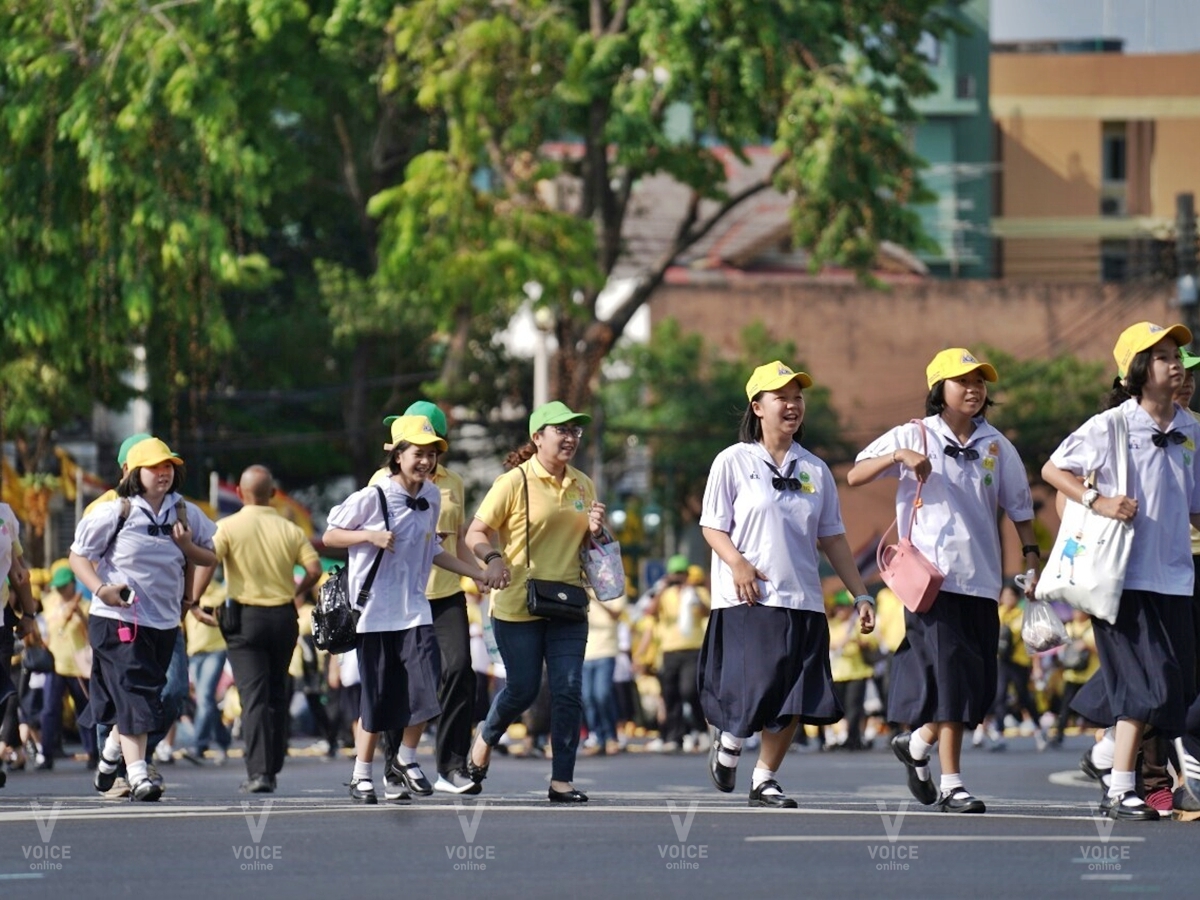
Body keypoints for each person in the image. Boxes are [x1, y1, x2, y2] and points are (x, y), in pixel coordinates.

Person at [848, 348, 1039, 814]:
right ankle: (953, 783)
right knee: (952, 680)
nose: (974, 389)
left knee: (979, 686)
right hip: (931, 583)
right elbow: (854, 474)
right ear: (940, 389)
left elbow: (1021, 509)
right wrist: (898, 455)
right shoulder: (914, 434)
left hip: (983, 582)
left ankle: (918, 743)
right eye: (963, 381)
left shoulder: (997, 445)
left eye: (980, 381)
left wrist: (1032, 559)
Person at [700, 361, 876, 808]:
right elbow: (713, 527)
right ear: (758, 407)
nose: (793, 405)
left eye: (798, 397)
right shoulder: (733, 461)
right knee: (754, 685)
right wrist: (737, 564)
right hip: (748, 597)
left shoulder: (815, 469)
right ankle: (732, 743)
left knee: (794, 695)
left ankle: (764, 779)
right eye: (782, 397)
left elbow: (833, 537)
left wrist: (860, 594)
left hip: (804, 598)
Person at [1042, 322, 1200, 820]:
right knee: (1145, 685)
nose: (1175, 363)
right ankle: (1120, 786)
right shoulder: (1111, 425)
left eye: (1177, 353)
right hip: (1121, 578)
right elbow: (1053, 469)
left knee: (1177, 686)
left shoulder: (1192, 428)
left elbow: (1193, 506)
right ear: (1136, 370)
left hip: (1176, 576)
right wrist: (1099, 500)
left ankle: (1109, 757)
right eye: (1160, 356)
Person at [323, 415, 492, 805]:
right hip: (373, 613)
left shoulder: (432, 497)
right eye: (418, 453)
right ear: (398, 456)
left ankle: (405, 757)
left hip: (415, 610)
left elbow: (432, 549)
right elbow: (331, 534)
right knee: (378, 697)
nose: (425, 462)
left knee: (426, 689)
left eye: (432, 455)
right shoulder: (374, 495)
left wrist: (474, 573)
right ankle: (361, 774)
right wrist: (369, 535)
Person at [464, 400, 609, 804]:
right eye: (560, 430)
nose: (570, 438)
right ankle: (486, 736)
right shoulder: (514, 482)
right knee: (524, 689)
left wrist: (594, 529)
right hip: (518, 604)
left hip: (568, 603)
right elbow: (475, 532)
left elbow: (583, 543)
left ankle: (562, 780)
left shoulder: (583, 483)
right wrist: (492, 558)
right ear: (537, 437)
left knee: (567, 689)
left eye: (575, 431)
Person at [68, 438, 217, 801]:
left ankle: (109, 758)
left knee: (147, 694)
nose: (163, 472)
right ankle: (138, 774)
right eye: (154, 467)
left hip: (164, 622)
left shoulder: (184, 513)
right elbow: (78, 557)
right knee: (134, 690)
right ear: (135, 474)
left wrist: (186, 552)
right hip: (117, 617)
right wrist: (101, 588)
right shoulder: (114, 511)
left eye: (168, 466)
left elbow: (209, 557)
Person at [370, 401, 481, 796]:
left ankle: (450, 766)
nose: (422, 456)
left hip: (446, 592)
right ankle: (392, 767)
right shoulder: (379, 483)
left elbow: (451, 540)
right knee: (398, 681)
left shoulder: (452, 484)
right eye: (412, 448)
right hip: (401, 596)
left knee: (459, 670)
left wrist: (479, 573)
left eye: (428, 448)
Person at [192, 465, 321, 793]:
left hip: (245, 619)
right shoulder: (290, 529)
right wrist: (296, 592)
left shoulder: (228, 526)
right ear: (273, 494)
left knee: (253, 697)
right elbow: (315, 568)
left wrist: (192, 600)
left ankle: (260, 773)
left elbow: (208, 560)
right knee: (277, 692)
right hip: (282, 618)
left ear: (239, 493)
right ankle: (274, 762)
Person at [643, 556, 709, 753]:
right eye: (675, 574)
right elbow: (650, 612)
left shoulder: (698, 592)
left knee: (689, 690)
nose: (679, 578)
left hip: (692, 648)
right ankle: (675, 735)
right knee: (670, 693)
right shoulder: (665, 594)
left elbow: (707, 612)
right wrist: (662, 588)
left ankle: (701, 728)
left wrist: (694, 596)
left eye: (682, 574)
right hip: (670, 649)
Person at [39, 564, 97, 769]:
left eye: (65, 587)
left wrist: (79, 614)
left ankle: (92, 753)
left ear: (73, 584)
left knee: (85, 709)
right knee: (49, 710)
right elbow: (46, 627)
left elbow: (91, 633)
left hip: (78, 665)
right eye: (58, 587)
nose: (61, 591)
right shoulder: (49, 602)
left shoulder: (85, 604)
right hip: (55, 663)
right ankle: (45, 754)